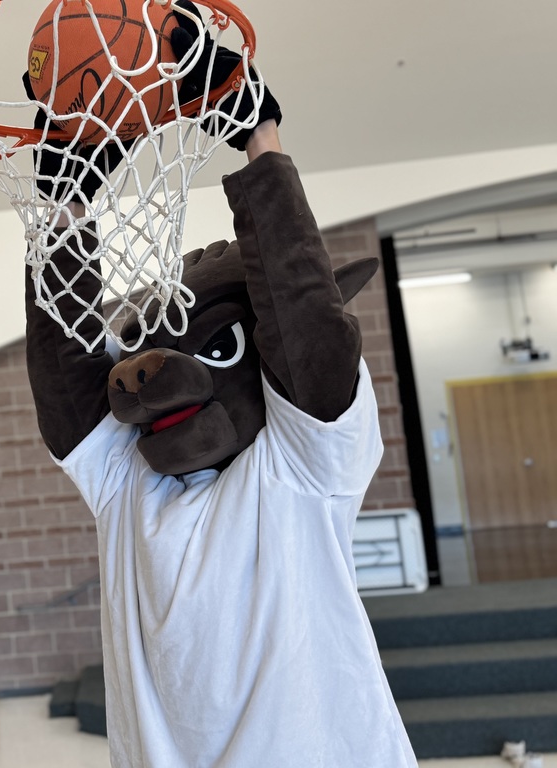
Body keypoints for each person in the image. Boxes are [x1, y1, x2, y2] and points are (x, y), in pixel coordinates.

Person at [22, 3, 420, 766]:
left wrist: (257, 137)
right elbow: (65, 369)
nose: (146, 373)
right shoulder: (127, 485)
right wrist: (63, 201)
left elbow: (306, 331)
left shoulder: (301, 472)